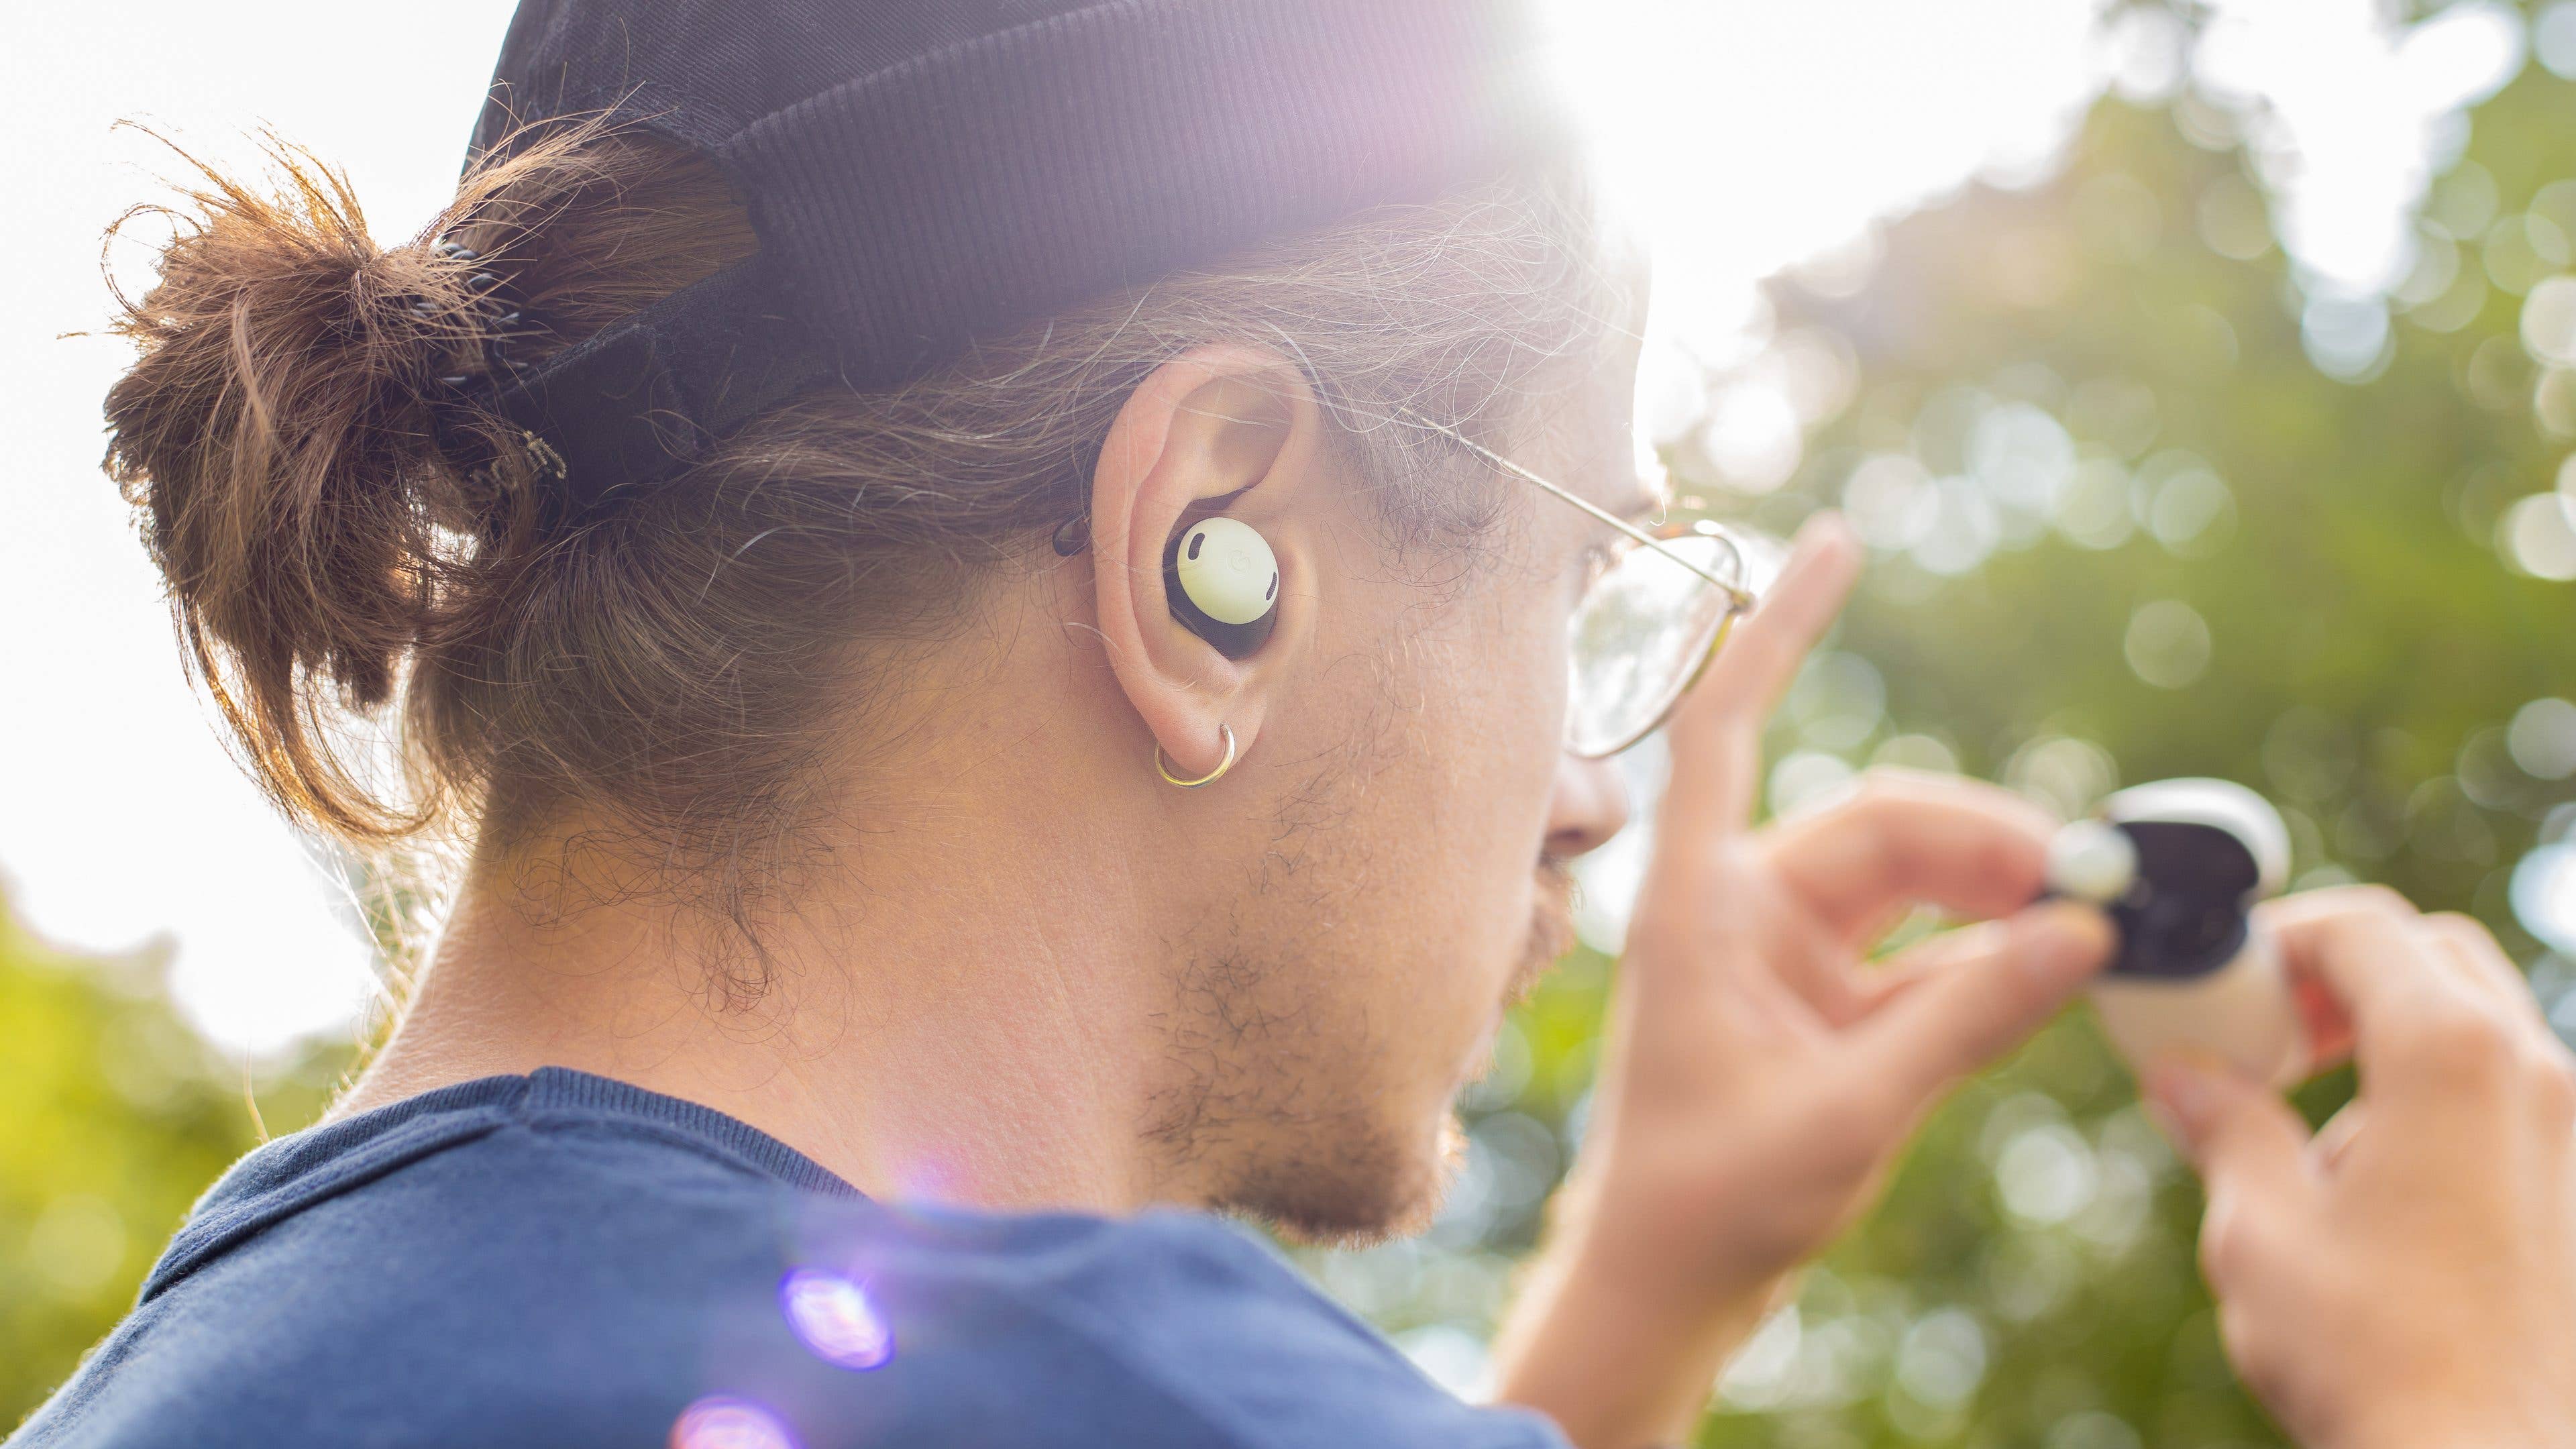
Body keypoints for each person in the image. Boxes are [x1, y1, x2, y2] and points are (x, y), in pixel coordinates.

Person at [19, 1, 2572, 1446]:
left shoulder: (187, 1398)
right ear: (1202, 563)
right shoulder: (1120, 1400)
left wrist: (1645, 1292)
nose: (1593, 793)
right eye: (1588, 578)